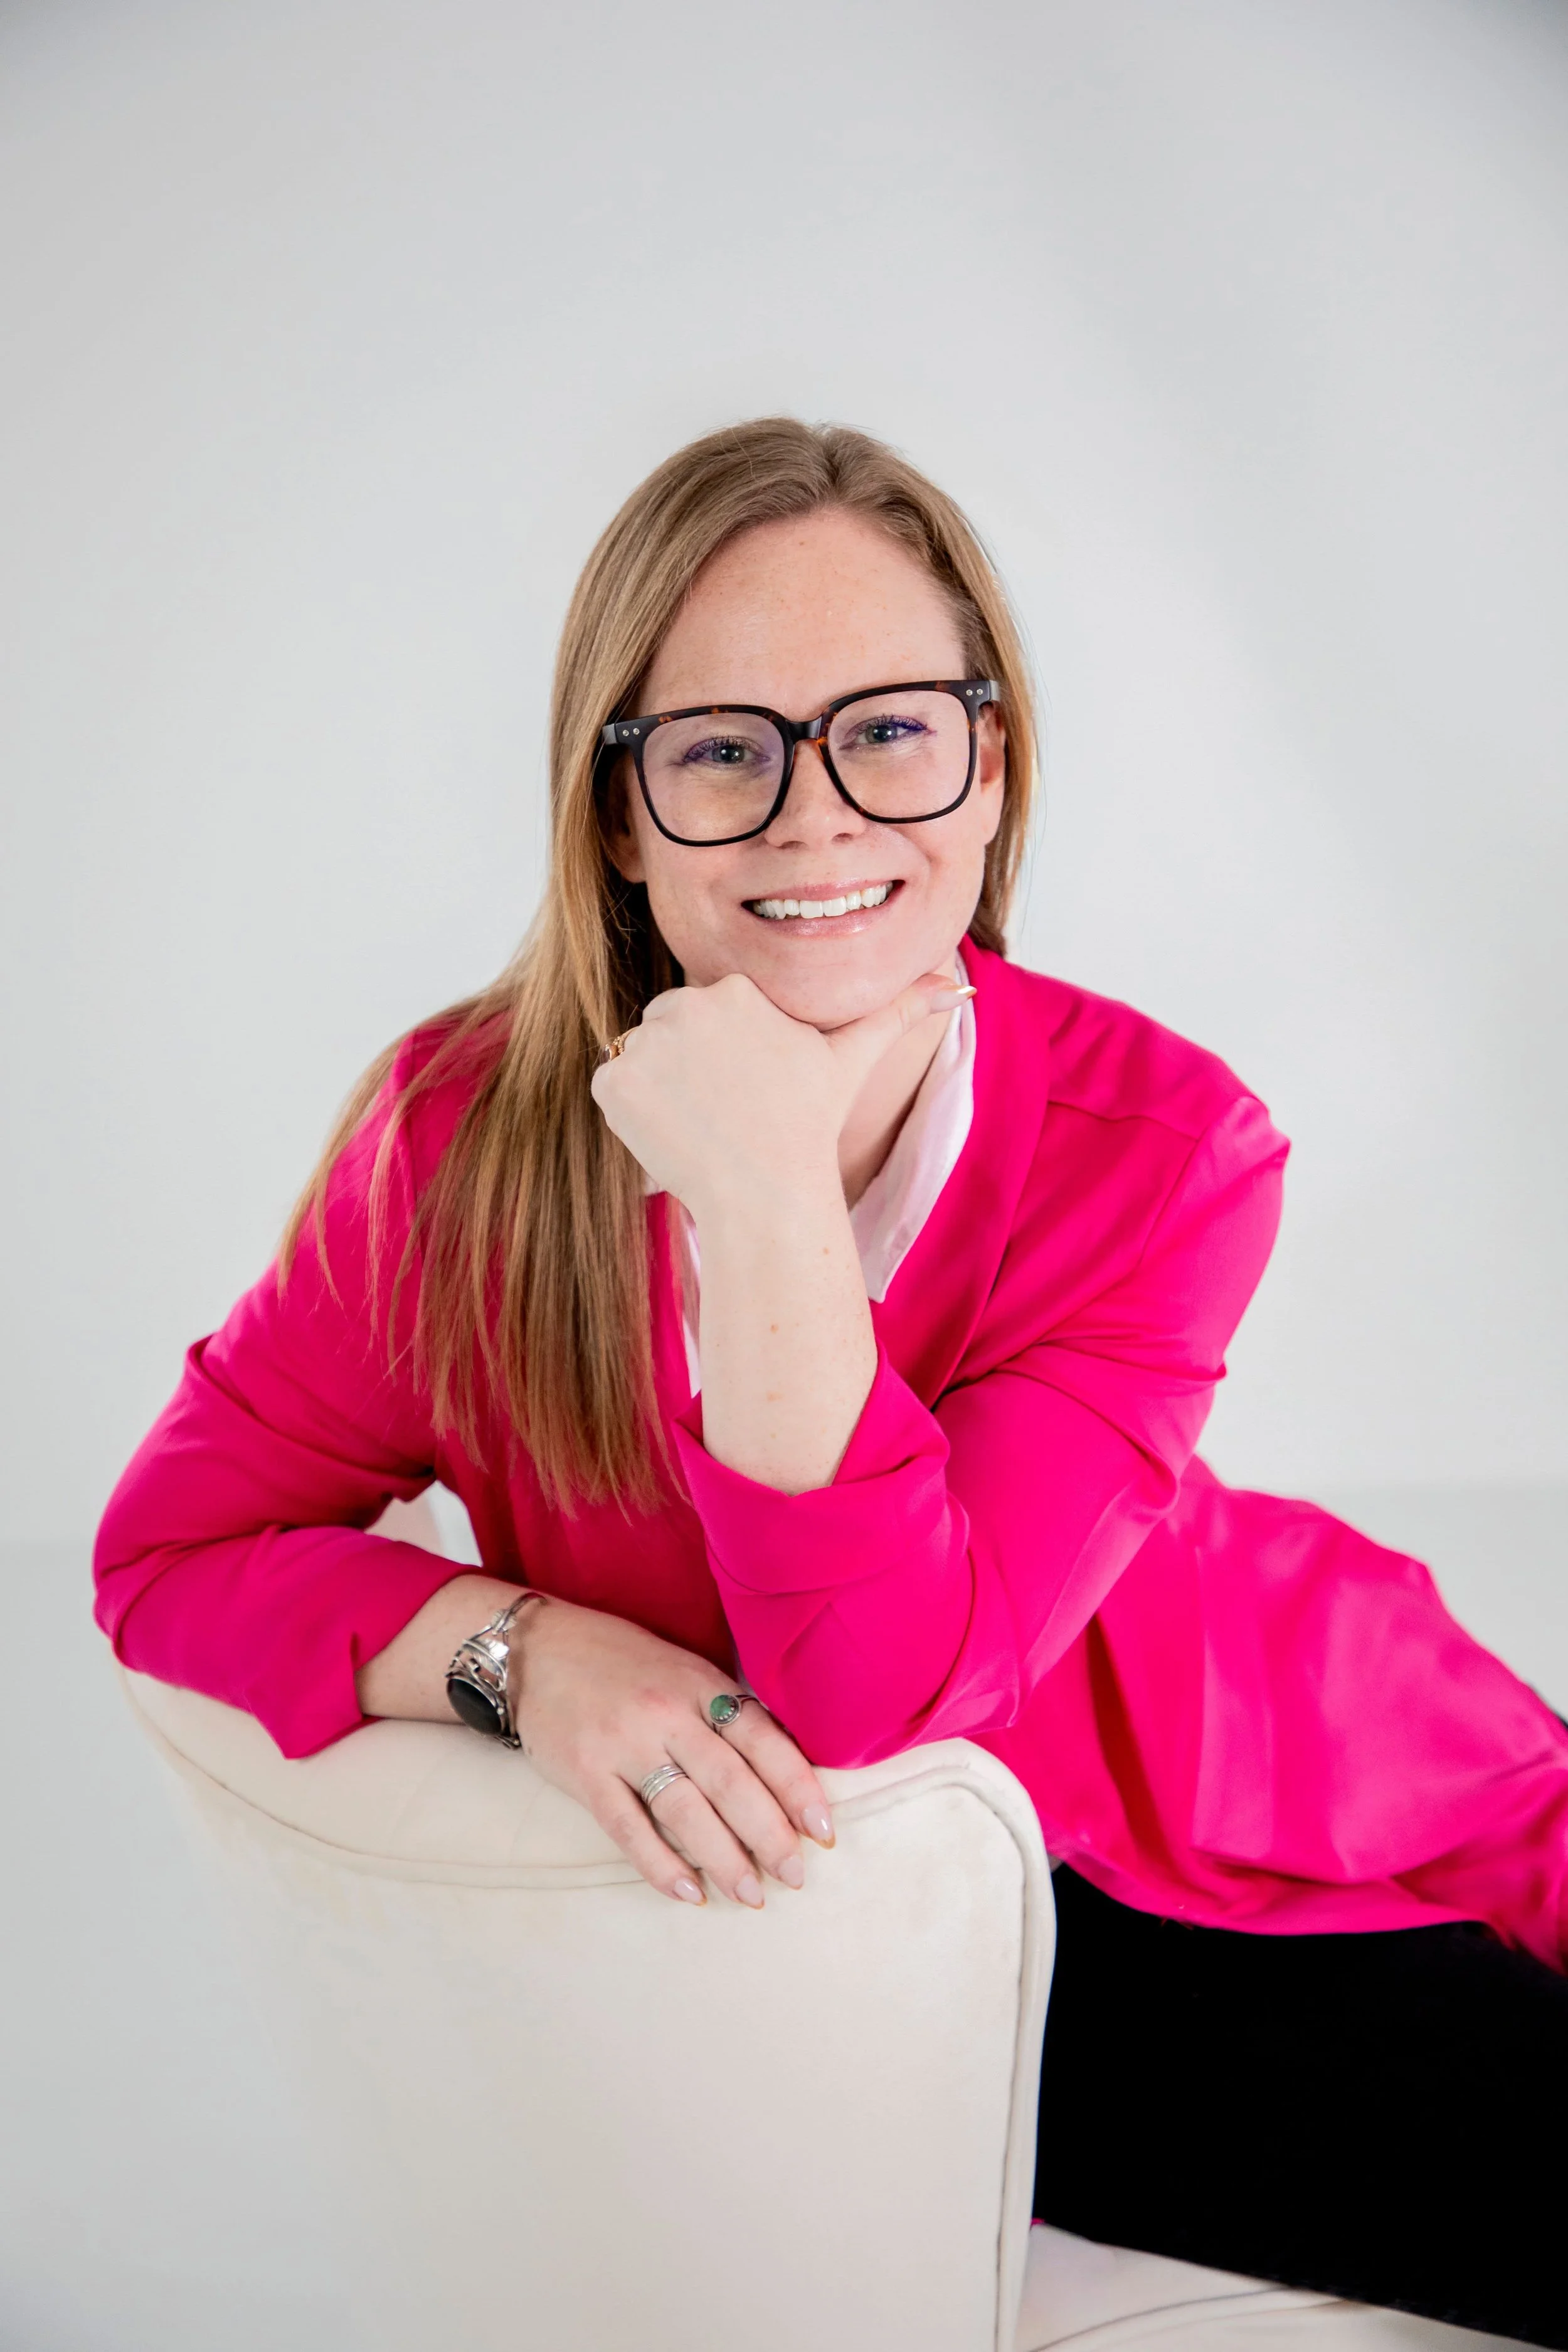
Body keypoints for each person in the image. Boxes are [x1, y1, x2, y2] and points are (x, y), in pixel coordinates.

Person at [95, 418, 1567, 2344]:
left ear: (990, 764)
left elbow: (913, 1670)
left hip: (1311, 1786)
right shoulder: (454, 1146)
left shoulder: (1166, 1138)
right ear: (615, 816)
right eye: (719, 749)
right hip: (1001, 1930)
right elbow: (167, 1554)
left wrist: (765, 1190)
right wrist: (516, 1648)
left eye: (887, 729)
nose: (815, 817)